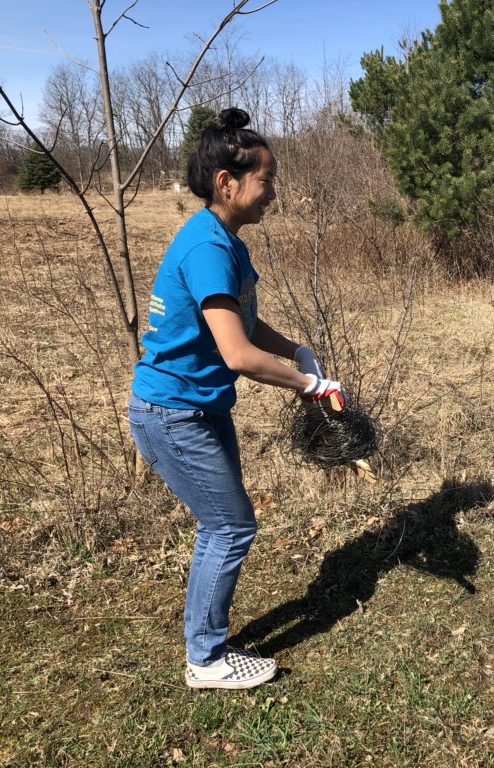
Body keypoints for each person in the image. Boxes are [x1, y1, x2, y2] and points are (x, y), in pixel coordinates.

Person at [129, 107, 346, 689]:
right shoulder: (207, 248)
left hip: (201, 407)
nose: (273, 192)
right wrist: (309, 385)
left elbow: (246, 325)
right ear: (228, 182)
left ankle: (207, 644)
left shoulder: (228, 241)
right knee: (230, 527)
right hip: (172, 412)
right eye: (266, 181)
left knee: (225, 523)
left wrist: (299, 350)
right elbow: (238, 356)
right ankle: (206, 660)